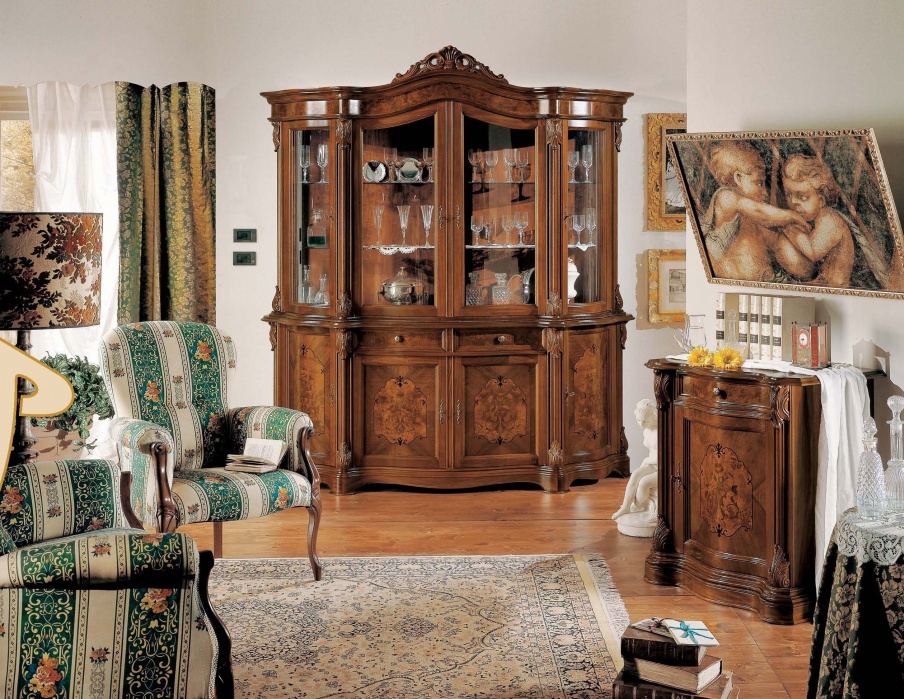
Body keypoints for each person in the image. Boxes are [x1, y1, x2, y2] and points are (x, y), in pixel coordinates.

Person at [701, 141, 813, 281]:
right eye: (759, 183)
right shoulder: (726, 197)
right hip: (738, 283)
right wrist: (793, 216)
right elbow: (761, 213)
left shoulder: (750, 221)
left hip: (767, 282)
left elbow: (775, 243)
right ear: (738, 178)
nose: (764, 193)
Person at [779, 154, 855, 288]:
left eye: (802, 197)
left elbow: (813, 252)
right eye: (789, 194)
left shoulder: (829, 219)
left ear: (821, 200)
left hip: (837, 289)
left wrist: (788, 226)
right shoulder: (816, 218)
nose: (793, 201)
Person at [613, 399, 658, 534]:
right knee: (635, 476)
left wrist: (646, 460)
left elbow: (664, 456)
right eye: (639, 420)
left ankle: (638, 505)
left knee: (644, 482)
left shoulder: (660, 431)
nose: (641, 424)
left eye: (644, 421)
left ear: (652, 416)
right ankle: (625, 507)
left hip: (663, 467)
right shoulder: (646, 430)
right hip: (652, 464)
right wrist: (646, 462)